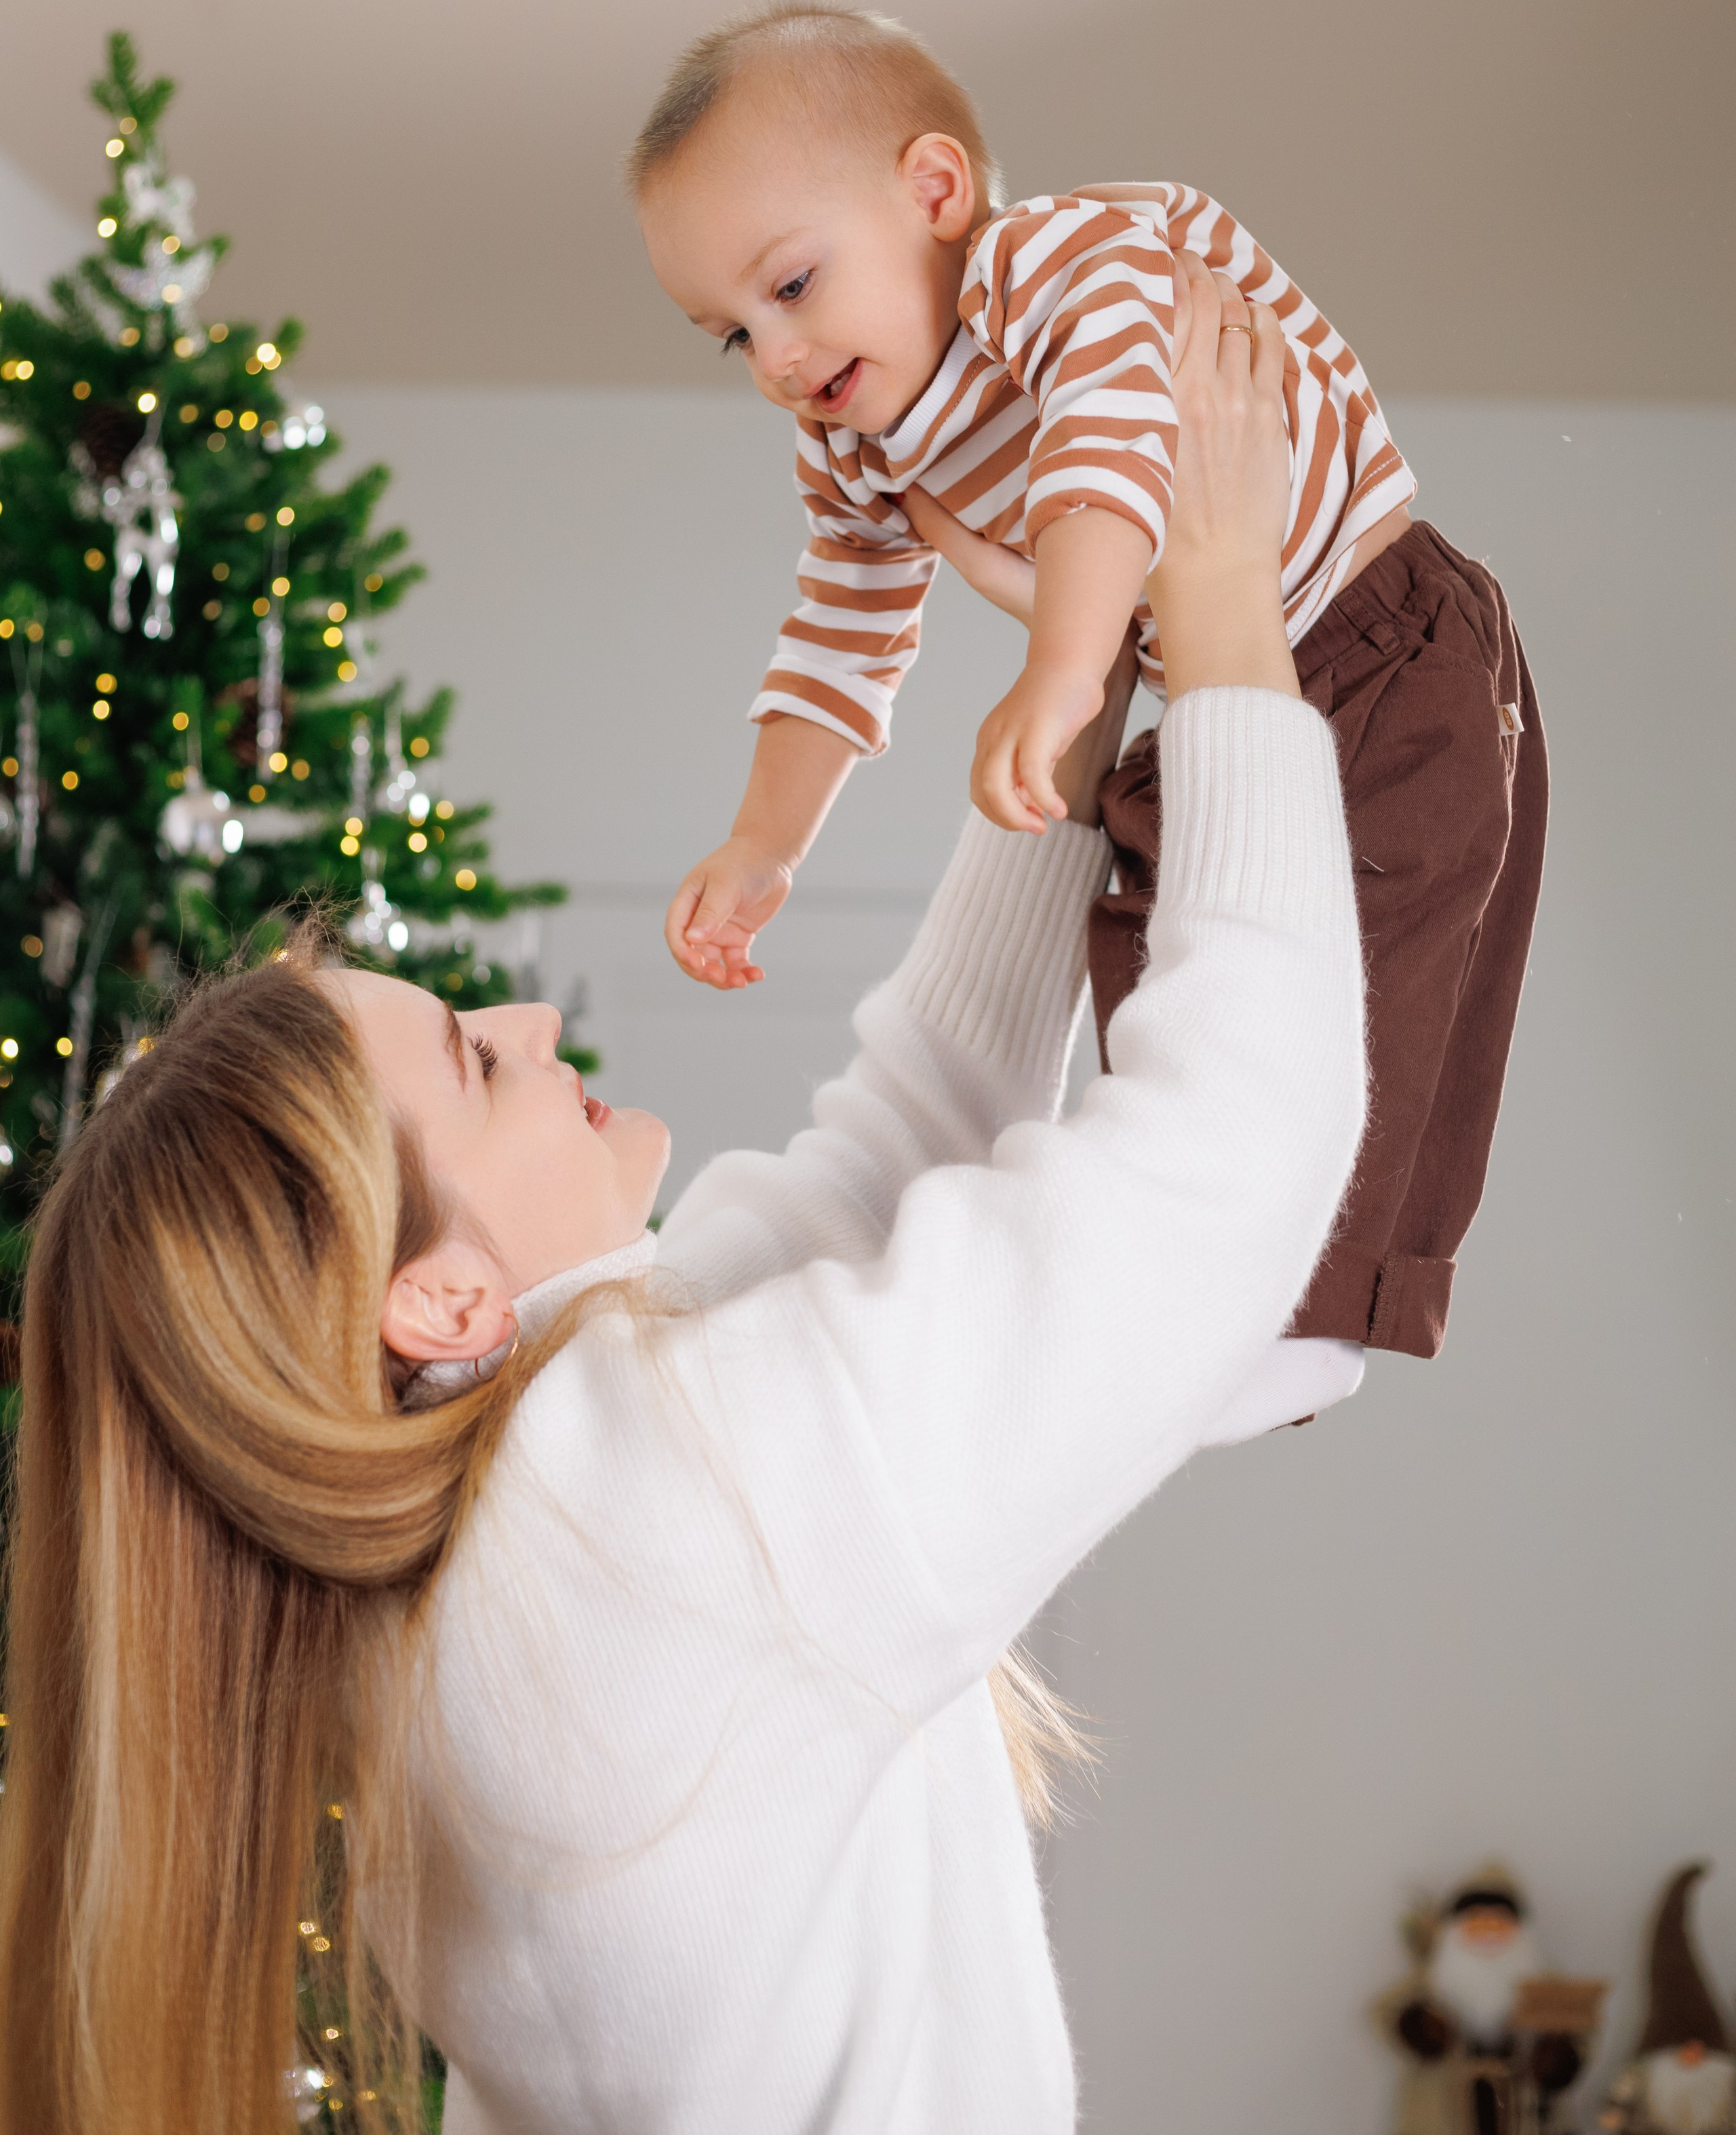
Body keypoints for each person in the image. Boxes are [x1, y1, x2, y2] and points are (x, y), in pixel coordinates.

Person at [0, 280, 1366, 2135]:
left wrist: (1084, 665)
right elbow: (1229, 1157)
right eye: (472, 1060)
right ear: (438, 1302)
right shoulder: (640, 1518)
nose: (528, 1020)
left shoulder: (522, 1515)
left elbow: (907, 1134)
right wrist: (1223, 630)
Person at [633, 0, 1547, 1364]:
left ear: (934, 192)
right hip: (1228, 694)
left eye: (792, 288)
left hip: (1381, 645)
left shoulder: (1061, 262)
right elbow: (836, 632)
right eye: (731, 336)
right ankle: (1221, 1287)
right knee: (1147, 945)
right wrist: (763, 842)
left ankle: (1318, 1309)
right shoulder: (856, 448)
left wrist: (1062, 669)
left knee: (1392, 967)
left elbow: (1113, 447)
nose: (773, 361)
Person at [1377, 1865, 1600, 2135]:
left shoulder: (1546, 1984)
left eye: (1499, 1924)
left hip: (1528, 2117)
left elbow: (1581, 2035)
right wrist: (1419, 2027)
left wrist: (1558, 2056)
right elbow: (1388, 2015)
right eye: (1477, 1924)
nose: (1488, 1934)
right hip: (1443, 2115)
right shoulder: (1431, 1984)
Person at [1600, 1864, 1736, 2134]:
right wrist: (1616, 2115)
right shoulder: (1649, 2071)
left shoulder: (1723, 2074)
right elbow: (1617, 2106)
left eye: (1699, 2047)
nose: (1693, 2051)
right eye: (1688, 2047)